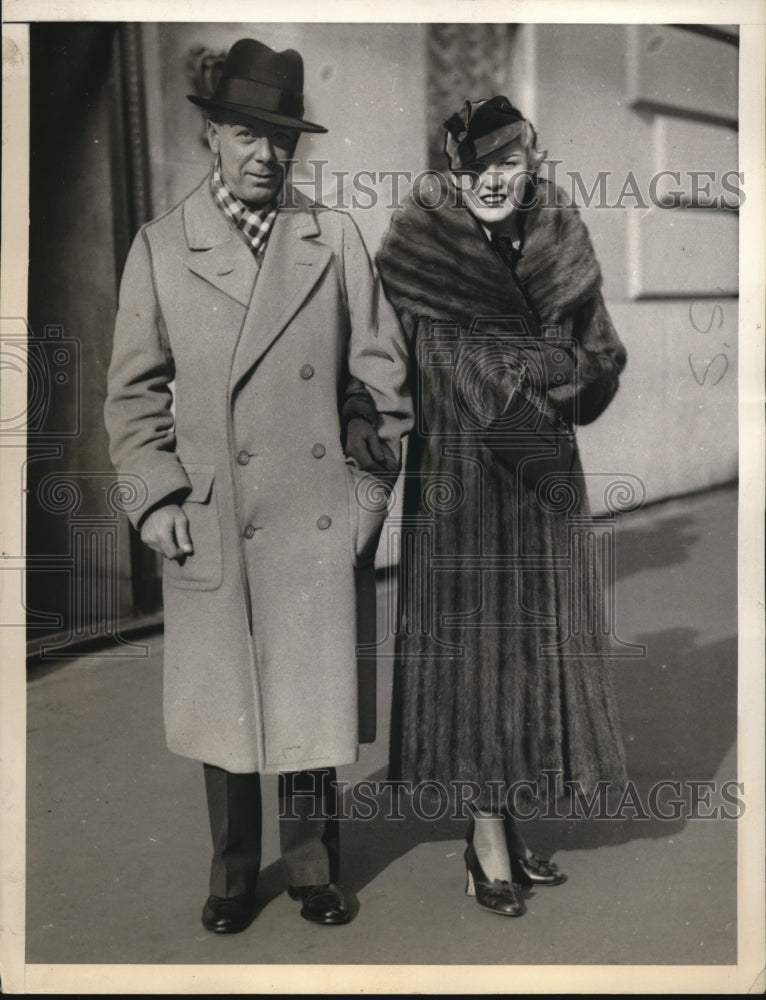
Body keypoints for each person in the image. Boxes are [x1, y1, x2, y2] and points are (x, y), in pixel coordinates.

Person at [104, 37, 412, 933]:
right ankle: (235, 871)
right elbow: (132, 389)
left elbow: (385, 377)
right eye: (246, 132)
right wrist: (156, 497)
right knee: (227, 703)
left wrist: (366, 495)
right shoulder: (161, 246)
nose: (264, 155)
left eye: (280, 137)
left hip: (316, 515)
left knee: (310, 696)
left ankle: (315, 863)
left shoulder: (337, 238)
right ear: (213, 137)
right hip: (215, 517)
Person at [376, 96, 628, 916]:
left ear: (532, 159)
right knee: (480, 658)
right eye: (475, 166)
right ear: (453, 170)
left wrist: (547, 368)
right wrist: (541, 365)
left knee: (533, 654)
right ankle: (484, 839)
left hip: (545, 481)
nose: (491, 180)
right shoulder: (421, 246)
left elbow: (600, 352)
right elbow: (448, 369)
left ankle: (510, 823)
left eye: (507, 164)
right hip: (464, 486)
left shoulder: (560, 230)